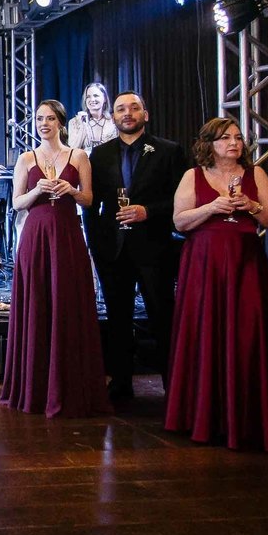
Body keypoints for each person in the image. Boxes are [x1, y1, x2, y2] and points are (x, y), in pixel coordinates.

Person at [165, 118, 268, 452]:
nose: (234, 143)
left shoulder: (256, 174)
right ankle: (202, 415)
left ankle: (245, 418)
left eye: (238, 137)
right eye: (225, 138)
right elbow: (179, 221)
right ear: (210, 144)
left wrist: (253, 206)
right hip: (204, 263)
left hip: (245, 263)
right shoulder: (193, 176)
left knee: (247, 332)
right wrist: (211, 208)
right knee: (204, 330)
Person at [1, 100, 110, 418]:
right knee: (37, 302)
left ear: (61, 123)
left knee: (66, 302)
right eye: (39, 119)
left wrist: (70, 191)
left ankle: (69, 385)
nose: (43, 124)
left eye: (50, 118)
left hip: (66, 234)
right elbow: (17, 203)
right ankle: (34, 388)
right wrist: (37, 190)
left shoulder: (79, 156)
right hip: (35, 236)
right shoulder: (27, 158)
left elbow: (88, 199)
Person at [84, 92, 188, 401]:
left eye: (134, 108)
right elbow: (91, 206)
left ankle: (173, 384)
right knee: (117, 319)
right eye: (120, 109)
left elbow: (182, 199)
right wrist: (96, 244)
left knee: (162, 316)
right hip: (112, 250)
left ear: (146, 114)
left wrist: (148, 211)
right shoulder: (99, 154)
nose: (127, 113)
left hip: (154, 248)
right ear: (113, 117)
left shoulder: (169, 151)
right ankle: (120, 383)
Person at [67, 82, 118, 154]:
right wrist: (82, 126)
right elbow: (71, 151)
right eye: (88, 97)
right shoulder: (74, 122)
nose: (92, 99)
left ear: (105, 99)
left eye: (96, 96)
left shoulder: (114, 121)